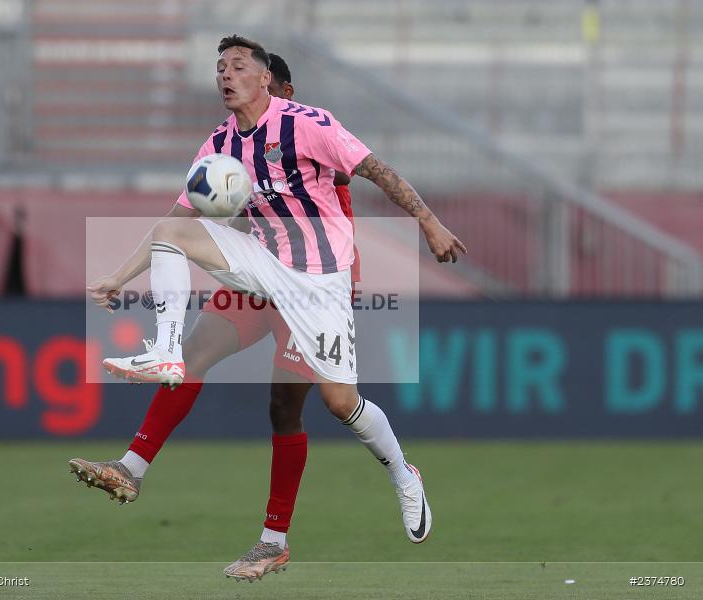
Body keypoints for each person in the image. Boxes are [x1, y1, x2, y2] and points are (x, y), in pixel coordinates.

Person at [82, 35, 465, 578]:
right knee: (179, 270)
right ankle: (135, 454)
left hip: (318, 284)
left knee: (329, 405)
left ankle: (402, 475)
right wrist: (120, 276)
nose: (225, 75)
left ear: (272, 84)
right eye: (220, 67)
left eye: (238, 66)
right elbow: (183, 212)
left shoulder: (308, 126)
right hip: (260, 266)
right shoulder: (220, 145)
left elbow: (375, 170)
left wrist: (428, 221)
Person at [72, 53, 360, 581]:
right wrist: (121, 274)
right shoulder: (231, 148)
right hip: (260, 285)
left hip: (310, 292)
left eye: (276, 89)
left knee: (285, 408)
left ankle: (274, 538)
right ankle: (130, 468)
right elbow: (177, 221)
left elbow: (329, 238)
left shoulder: (315, 150)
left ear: (280, 89)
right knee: (191, 356)